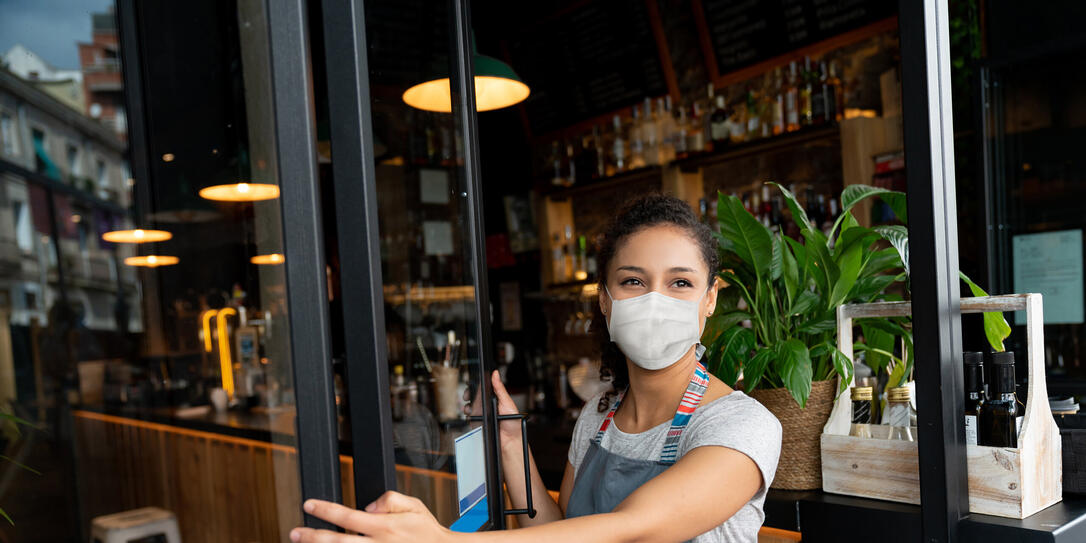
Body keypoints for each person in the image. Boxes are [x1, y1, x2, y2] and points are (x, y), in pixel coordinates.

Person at [291, 194, 782, 543]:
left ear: (710, 299)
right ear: (605, 300)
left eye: (680, 283)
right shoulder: (599, 416)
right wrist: (510, 446)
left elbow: (631, 528)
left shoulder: (740, 424)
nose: (656, 299)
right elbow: (559, 535)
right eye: (633, 280)